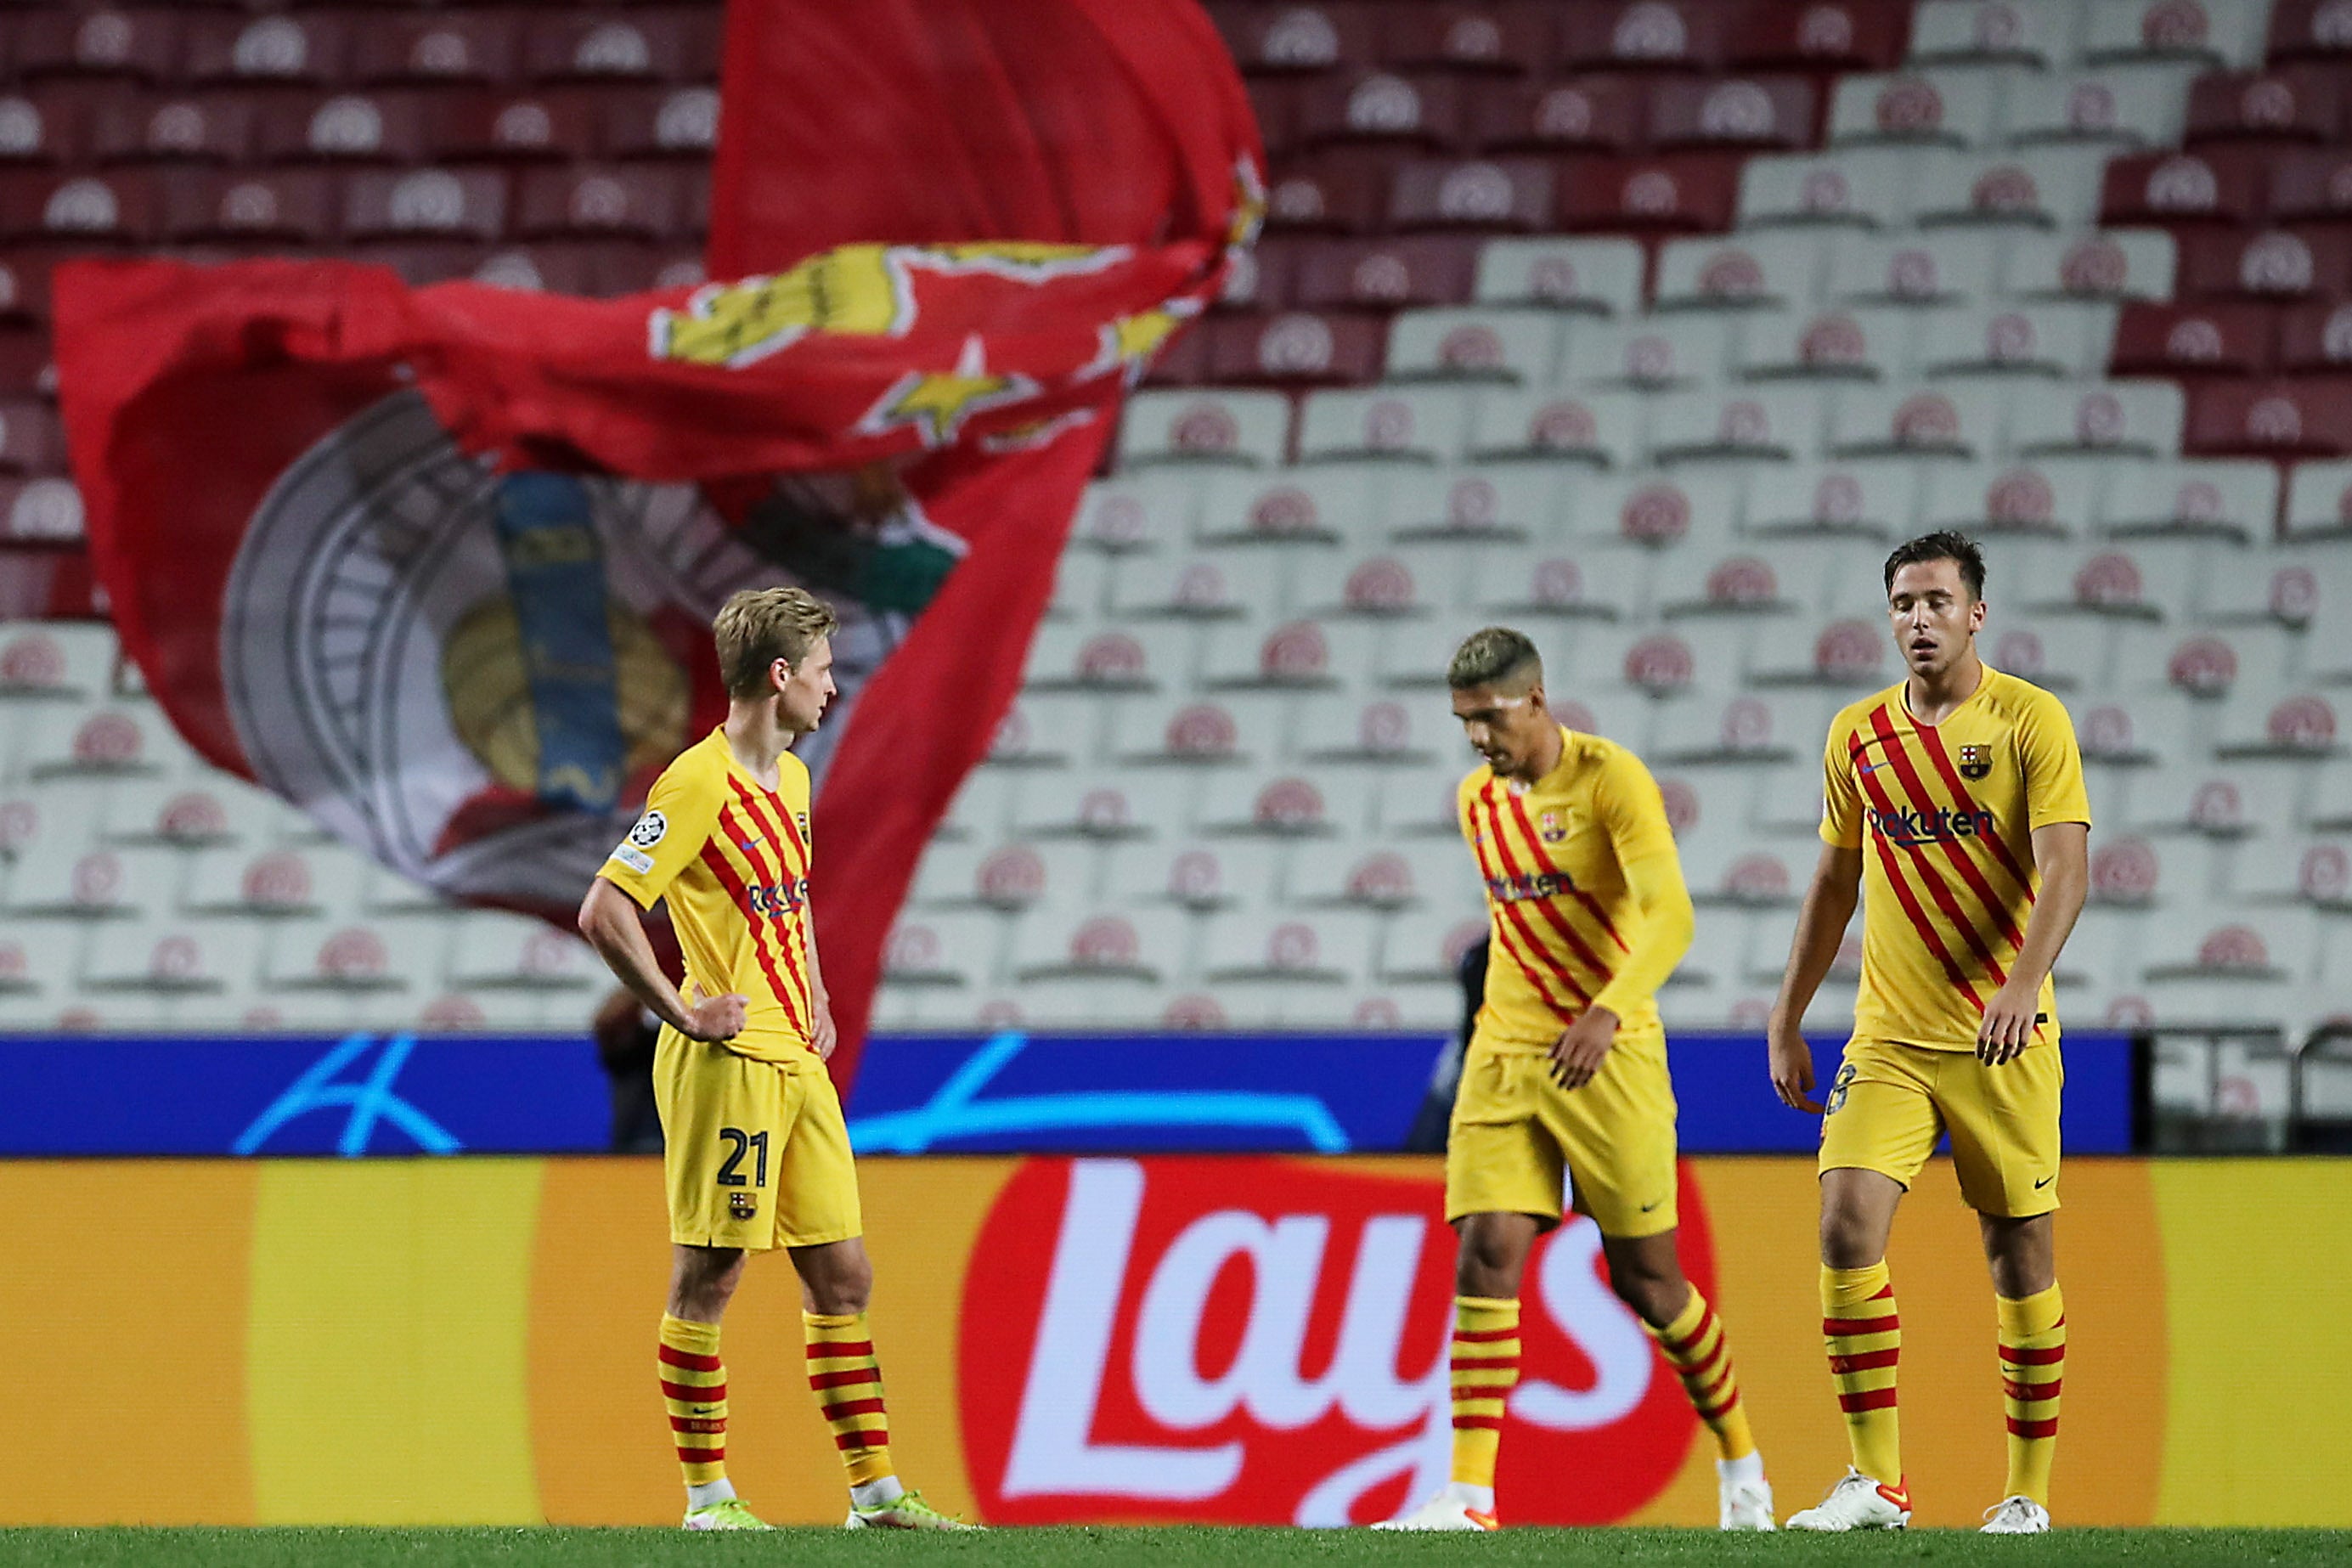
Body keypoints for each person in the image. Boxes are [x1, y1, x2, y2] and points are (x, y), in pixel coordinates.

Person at [577, 585, 973, 1532]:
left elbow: (784, 905)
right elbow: (605, 908)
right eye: (826, 670)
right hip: (729, 1064)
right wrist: (681, 1009)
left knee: (844, 1272)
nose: (835, 689)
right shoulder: (695, 783)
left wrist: (821, 997)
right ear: (781, 675)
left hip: (796, 1057)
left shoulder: (790, 777)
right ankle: (708, 1500)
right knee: (709, 1276)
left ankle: (875, 1495)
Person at [1380, 626, 1774, 1532]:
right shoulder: (1475, 800)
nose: (1478, 738)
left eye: (1489, 717)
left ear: (1536, 698)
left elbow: (1672, 917)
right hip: (1505, 1056)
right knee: (1485, 1252)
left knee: (1648, 1283)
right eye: (1463, 722)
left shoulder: (1611, 781)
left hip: (1611, 1056)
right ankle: (1470, 1495)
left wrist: (1606, 1008)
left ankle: (1742, 1462)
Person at [1767, 532, 2089, 1536]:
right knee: (1844, 1223)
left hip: (2005, 1036)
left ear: (1976, 614)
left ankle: (2027, 1493)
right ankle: (1878, 1482)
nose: (1918, 619)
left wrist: (2022, 983)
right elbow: (1833, 883)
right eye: (1903, 603)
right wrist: (1786, 1015)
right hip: (1892, 1040)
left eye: (1937, 602)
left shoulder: (2030, 721)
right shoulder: (1856, 735)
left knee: (2017, 1255)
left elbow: (2068, 867)